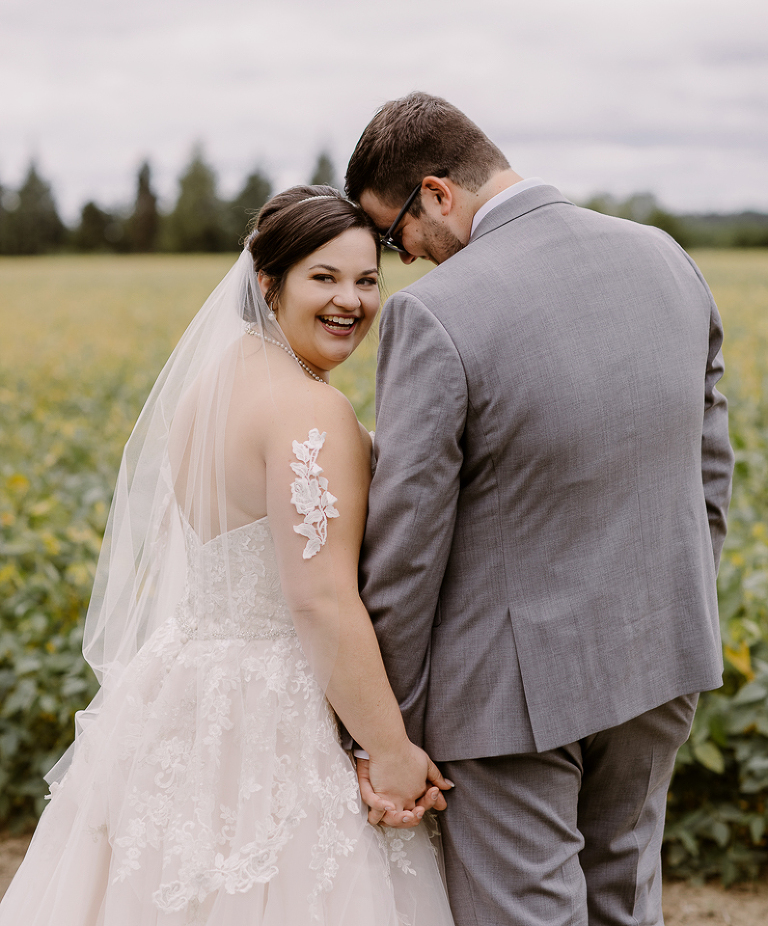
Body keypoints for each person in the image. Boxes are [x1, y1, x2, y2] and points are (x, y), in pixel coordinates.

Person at [0, 186, 455, 926]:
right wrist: (390, 750)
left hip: (189, 682)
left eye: (368, 280)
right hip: (277, 706)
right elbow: (321, 601)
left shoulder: (209, 389)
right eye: (325, 277)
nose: (352, 301)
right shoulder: (312, 409)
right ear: (268, 282)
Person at [345, 93, 735, 926]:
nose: (403, 260)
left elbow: (407, 549)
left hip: (508, 700)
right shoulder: (666, 257)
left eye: (393, 233)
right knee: (623, 905)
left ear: (438, 192)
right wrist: (683, 599)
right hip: (663, 657)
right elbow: (710, 470)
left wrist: (388, 732)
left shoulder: (434, 315)